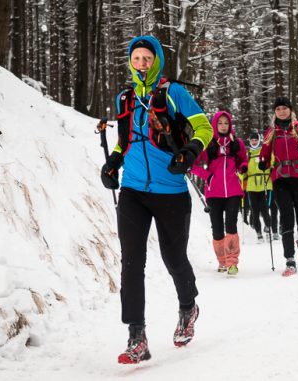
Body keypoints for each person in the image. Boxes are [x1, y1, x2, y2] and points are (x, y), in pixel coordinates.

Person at [100, 35, 212, 365]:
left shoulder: (174, 93)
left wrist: (191, 150)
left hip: (171, 191)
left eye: (147, 58)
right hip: (134, 190)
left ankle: (188, 306)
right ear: (130, 62)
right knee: (131, 262)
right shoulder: (125, 98)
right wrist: (113, 163)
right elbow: (124, 141)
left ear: (157, 61)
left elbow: (203, 126)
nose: (142, 64)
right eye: (136, 59)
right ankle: (137, 335)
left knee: (173, 258)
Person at [258, 96, 298, 277]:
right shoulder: (271, 132)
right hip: (280, 179)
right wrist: (263, 162)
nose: (281, 111)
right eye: (278, 109)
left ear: (290, 110)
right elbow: (264, 153)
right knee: (286, 218)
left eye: (284, 108)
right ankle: (290, 260)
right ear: (275, 112)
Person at [190, 111, 248, 276]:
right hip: (214, 192)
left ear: (230, 125)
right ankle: (222, 261)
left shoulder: (236, 143)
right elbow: (193, 165)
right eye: (220, 123)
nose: (223, 126)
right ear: (215, 125)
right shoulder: (209, 144)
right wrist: (207, 176)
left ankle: (232, 263)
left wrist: (243, 167)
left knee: (231, 224)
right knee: (217, 228)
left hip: (233, 191)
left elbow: (244, 160)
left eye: (226, 123)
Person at [243, 131, 273, 242]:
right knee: (254, 212)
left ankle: (268, 229)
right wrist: (242, 172)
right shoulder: (247, 154)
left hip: (264, 184)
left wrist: (269, 167)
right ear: (250, 141)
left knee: (265, 210)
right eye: (252, 140)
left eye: (256, 140)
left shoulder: (263, 151)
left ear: (259, 140)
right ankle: (259, 234)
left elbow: (272, 161)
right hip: (251, 186)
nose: (254, 142)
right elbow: (242, 170)